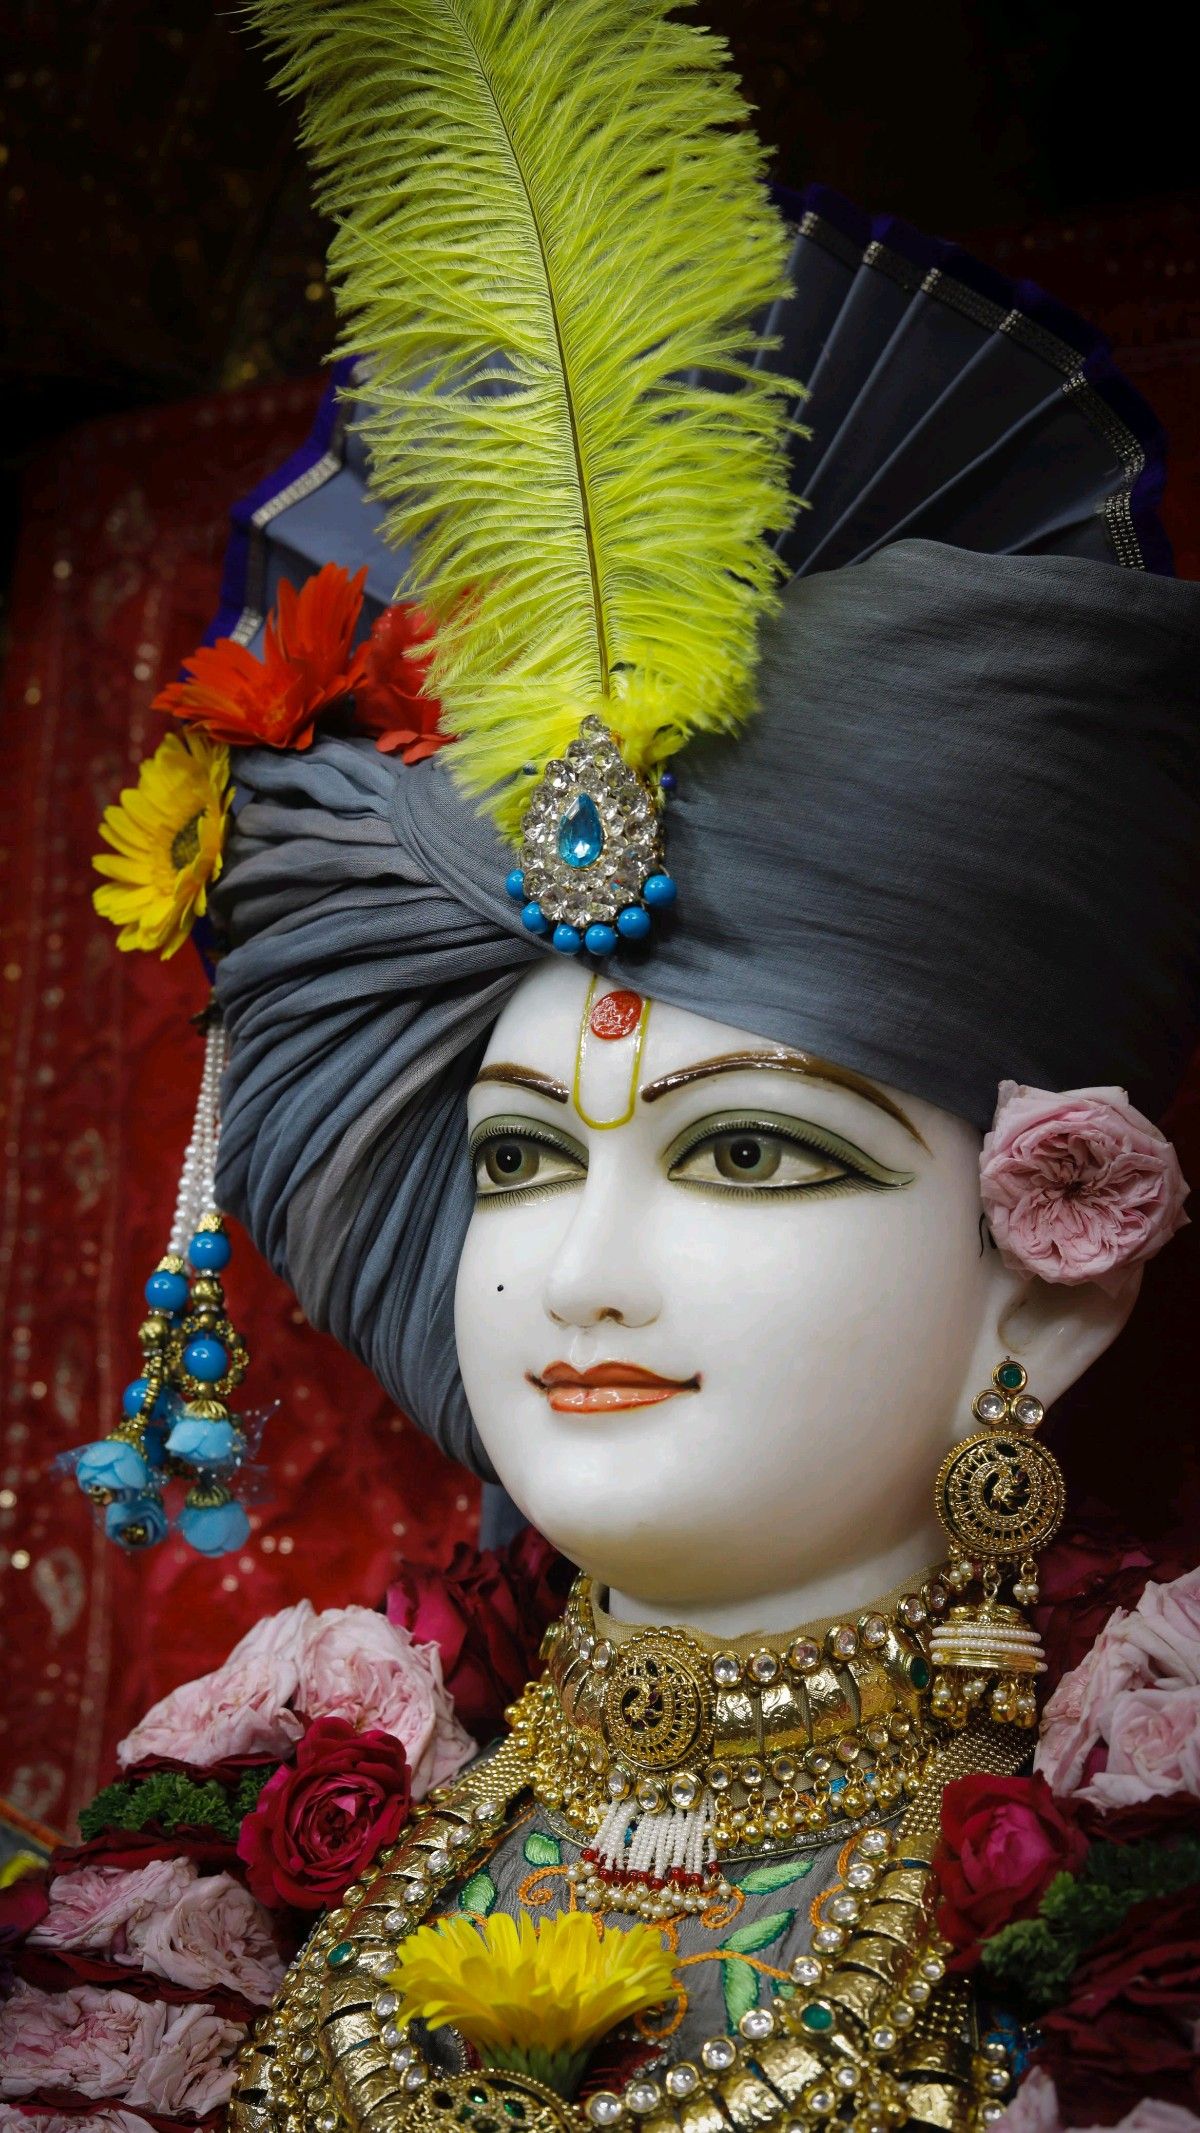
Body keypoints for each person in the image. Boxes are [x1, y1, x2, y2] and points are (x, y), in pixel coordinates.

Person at [6, 3, 1199, 2127]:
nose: (580, 1269)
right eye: (526, 1154)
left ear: (1054, 1264)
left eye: (746, 1154)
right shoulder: (280, 1808)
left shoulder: (1143, 1837)